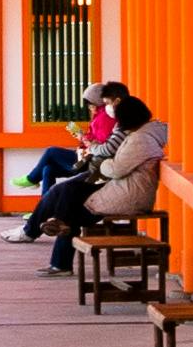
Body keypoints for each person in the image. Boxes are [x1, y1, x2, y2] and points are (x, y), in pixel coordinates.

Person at [48, 84, 165, 277]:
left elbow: (116, 168)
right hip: (125, 189)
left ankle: (60, 258)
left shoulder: (140, 140)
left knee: (72, 208)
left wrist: (104, 163)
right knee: (70, 194)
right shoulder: (144, 134)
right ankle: (60, 248)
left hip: (129, 195)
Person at [15, 86, 119, 243]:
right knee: (49, 169)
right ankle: (44, 208)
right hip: (87, 157)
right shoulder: (99, 116)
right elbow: (93, 139)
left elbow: (101, 146)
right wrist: (82, 136)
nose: (88, 106)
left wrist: (84, 139)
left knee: (51, 152)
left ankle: (32, 179)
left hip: (91, 162)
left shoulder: (105, 118)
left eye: (89, 102)